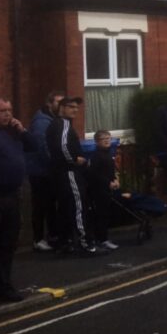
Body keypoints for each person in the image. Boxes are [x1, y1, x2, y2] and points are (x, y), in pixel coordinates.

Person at [0, 96, 37, 302]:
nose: (8, 114)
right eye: (2, 111)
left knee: (7, 244)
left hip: (12, 196)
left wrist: (23, 130)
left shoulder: (13, 134)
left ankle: (3, 286)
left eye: (9, 110)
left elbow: (34, 146)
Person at [46, 97, 95, 255]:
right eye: (71, 106)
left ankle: (65, 243)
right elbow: (63, 145)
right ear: (62, 108)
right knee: (78, 206)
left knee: (65, 208)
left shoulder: (56, 124)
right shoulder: (63, 123)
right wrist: (74, 160)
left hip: (60, 173)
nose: (75, 110)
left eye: (76, 107)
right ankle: (84, 244)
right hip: (69, 172)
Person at [26, 91, 64, 252]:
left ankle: (53, 235)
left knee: (50, 204)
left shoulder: (52, 119)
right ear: (49, 103)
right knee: (41, 205)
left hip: (48, 170)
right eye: (58, 103)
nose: (61, 106)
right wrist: (55, 165)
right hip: (40, 172)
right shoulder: (42, 122)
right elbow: (43, 148)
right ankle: (38, 239)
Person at [87, 131, 119, 251]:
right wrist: (108, 183)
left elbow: (110, 172)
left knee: (106, 215)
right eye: (103, 139)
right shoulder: (96, 156)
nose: (106, 141)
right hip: (98, 190)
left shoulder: (108, 154)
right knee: (100, 215)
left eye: (108, 138)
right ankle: (101, 240)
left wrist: (115, 179)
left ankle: (103, 238)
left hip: (107, 189)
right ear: (96, 142)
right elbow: (94, 174)